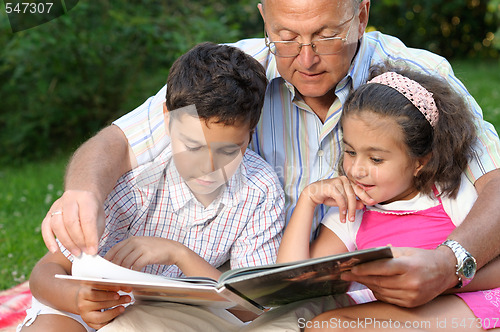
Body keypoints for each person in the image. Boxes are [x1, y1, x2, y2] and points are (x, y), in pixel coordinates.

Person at [42, 0, 500, 309]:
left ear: (361, 15)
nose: (305, 58)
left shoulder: (415, 78)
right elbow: (116, 141)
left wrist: (450, 263)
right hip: (251, 283)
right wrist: (81, 194)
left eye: (325, 35)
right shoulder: (234, 75)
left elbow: (494, 183)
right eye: (285, 36)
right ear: (264, 18)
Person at [18, 42, 285, 332]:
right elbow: (45, 273)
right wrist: (77, 300)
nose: (208, 166)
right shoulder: (136, 182)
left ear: (250, 134)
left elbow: (253, 307)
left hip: (172, 315)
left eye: (229, 151)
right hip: (85, 306)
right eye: (192, 146)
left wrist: (179, 255)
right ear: (167, 120)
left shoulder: (260, 190)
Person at [276, 67, 500, 331]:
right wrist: (307, 200)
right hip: (400, 317)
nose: (357, 169)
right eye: (350, 151)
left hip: (476, 303)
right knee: (324, 325)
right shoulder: (351, 211)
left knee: (331, 326)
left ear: (420, 161)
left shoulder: (450, 195)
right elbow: (293, 287)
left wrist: (440, 281)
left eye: (376, 159)